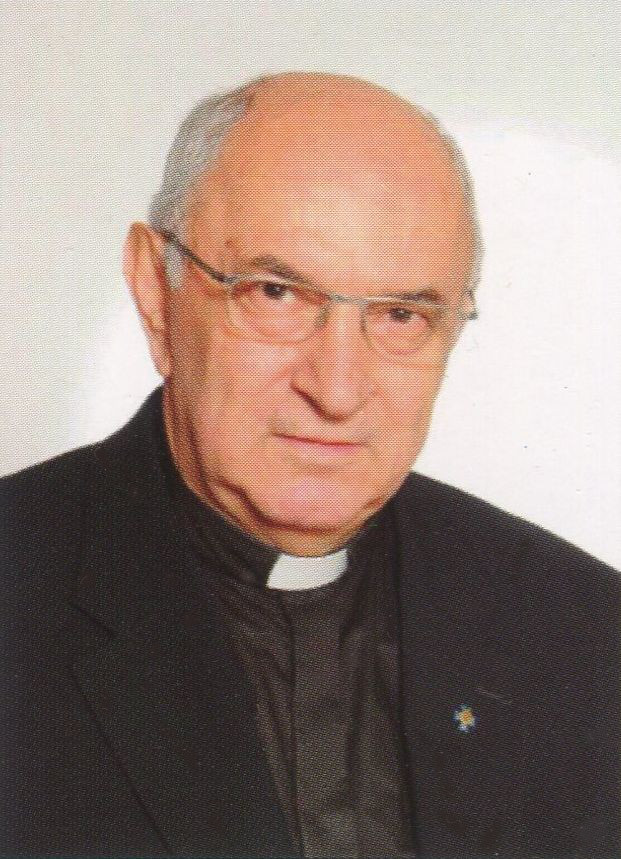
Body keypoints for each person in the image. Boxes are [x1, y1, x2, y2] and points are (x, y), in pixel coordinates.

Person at [0, 72, 618, 859]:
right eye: (276, 293)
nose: (336, 389)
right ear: (156, 291)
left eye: (401, 314)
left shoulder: (584, 633)